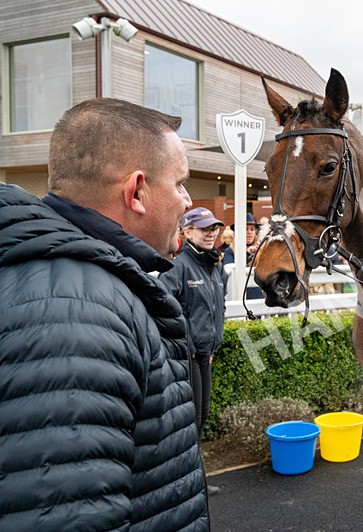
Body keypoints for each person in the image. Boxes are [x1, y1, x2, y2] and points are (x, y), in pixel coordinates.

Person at [0, 98, 209, 529]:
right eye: (180, 184)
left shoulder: (82, 286)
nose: (188, 201)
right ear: (136, 192)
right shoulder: (72, 315)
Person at [160, 208, 227, 496]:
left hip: (205, 355)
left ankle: (193, 479)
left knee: (202, 417)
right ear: (187, 232)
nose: (211, 233)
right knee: (191, 421)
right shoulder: (179, 267)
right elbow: (165, 308)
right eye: (203, 228)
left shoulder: (215, 265)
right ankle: (187, 482)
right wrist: (188, 347)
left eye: (214, 228)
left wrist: (210, 346)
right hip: (190, 357)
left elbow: (217, 310)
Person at [224, 212, 264, 300]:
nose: (249, 232)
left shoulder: (262, 248)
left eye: (252, 229)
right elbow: (230, 270)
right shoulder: (229, 250)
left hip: (259, 297)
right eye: (245, 229)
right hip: (238, 296)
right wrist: (247, 254)